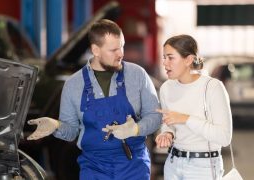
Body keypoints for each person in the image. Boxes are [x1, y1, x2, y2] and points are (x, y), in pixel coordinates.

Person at [27, 19, 161, 180]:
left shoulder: (138, 75)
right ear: (95, 50)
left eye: (122, 46)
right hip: (94, 169)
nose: (121, 54)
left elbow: (155, 116)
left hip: (133, 167)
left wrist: (136, 129)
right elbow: (71, 132)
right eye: (114, 49)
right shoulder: (74, 84)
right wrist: (55, 125)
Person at [155, 34, 232, 180]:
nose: (165, 63)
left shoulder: (212, 87)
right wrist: (168, 134)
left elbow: (224, 137)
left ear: (188, 60)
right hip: (173, 163)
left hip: (204, 168)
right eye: (164, 57)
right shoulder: (166, 88)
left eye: (170, 58)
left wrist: (186, 119)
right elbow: (168, 123)